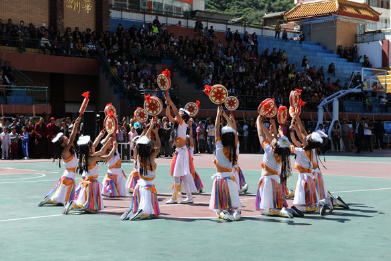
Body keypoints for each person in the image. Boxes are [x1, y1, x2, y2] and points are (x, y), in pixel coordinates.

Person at [255, 116, 302, 218]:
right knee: (275, 204)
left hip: (267, 181)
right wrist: (272, 128)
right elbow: (275, 139)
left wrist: (259, 122)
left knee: (265, 210)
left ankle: (282, 212)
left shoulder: (268, 150)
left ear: (275, 146)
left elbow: (260, 135)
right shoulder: (281, 153)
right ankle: (290, 210)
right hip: (276, 181)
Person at [289, 115, 333, 216]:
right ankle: (323, 203)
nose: (306, 136)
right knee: (311, 198)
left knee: (311, 198)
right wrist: (295, 124)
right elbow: (300, 136)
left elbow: (300, 136)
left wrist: (296, 122)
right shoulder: (312, 147)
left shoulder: (309, 149)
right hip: (312, 174)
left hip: (313, 175)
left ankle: (326, 202)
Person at [63, 135, 117, 214]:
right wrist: (114, 147)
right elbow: (108, 156)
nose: (94, 147)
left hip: (89, 182)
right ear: (89, 149)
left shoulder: (87, 156)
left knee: (90, 207)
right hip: (91, 183)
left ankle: (75, 204)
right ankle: (74, 204)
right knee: (91, 208)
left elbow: (102, 151)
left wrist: (109, 140)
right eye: (92, 146)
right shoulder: (91, 158)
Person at [121, 120, 161, 220]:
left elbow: (141, 142)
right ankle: (142, 212)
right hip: (148, 187)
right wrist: (155, 132)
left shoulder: (138, 155)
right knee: (149, 212)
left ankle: (132, 211)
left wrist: (150, 128)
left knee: (142, 208)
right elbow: (159, 147)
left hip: (138, 187)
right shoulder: (150, 157)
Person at [38, 117, 81, 207]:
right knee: (67, 200)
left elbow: (72, 138)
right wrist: (75, 126)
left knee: (60, 198)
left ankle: (49, 199)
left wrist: (75, 127)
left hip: (68, 176)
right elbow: (72, 138)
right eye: (64, 137)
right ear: (62, 143)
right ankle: (50, 199)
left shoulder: (68, 148)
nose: (66, 137)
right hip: (69, 177)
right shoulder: (65, 151)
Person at [209, 106, 242, 221]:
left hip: (220, 180)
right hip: (231, 180)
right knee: (232, 204)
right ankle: (234, 212)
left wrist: (218, 115)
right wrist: (227, 117)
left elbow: (217, 127)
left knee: (219, 209)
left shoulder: (219, 146)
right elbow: (235, 131)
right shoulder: (235, 147)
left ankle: (223, 214)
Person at [165, 95, 194, 204]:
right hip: (179, 152)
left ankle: (175, 197)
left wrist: (171, 101)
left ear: (184, 117)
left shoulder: (183, 123)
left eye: (181, 114)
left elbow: (175, 113)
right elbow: (168, 114)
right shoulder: (177, 124)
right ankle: (188, 197)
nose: (178, 115)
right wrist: (167, 104)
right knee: (181, 175)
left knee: (178, 174)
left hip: (182, 151)